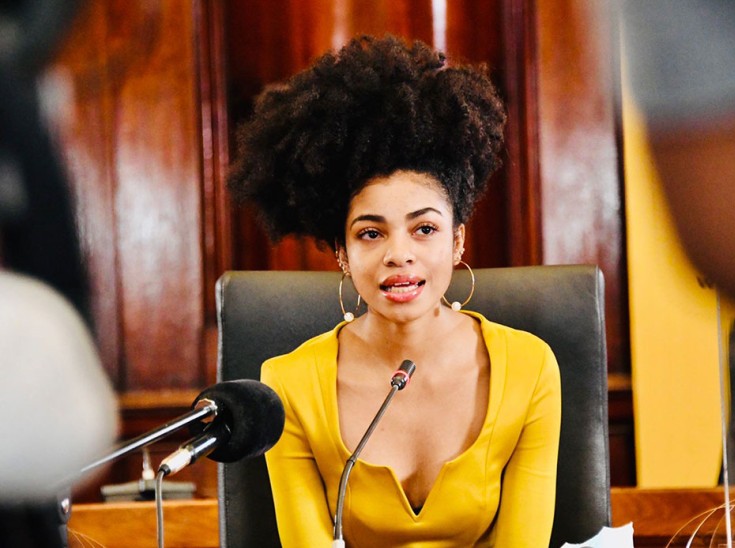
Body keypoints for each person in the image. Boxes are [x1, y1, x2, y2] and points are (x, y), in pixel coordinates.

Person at [227, 35, 561, 547]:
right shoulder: (289, 385)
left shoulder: (530, 368)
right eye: (370, 232)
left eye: (423, 229)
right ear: (341, 251)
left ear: (457, 240)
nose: (398, 254)